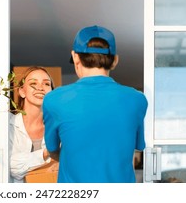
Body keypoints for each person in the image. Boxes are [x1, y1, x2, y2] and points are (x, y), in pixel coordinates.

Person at [42, 25, 148, 183]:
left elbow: (52, 150)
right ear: (115, 61)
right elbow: (138, 145)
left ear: (75, 57)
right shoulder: (137, 99)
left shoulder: (54, 99)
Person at [9, 66, 54, 183]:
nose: (40, 88)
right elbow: (10, 166)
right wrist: (47, 152)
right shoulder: (7, 124)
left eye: (46, 84)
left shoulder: (58, 127)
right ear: (22, 91)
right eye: (33, 83)